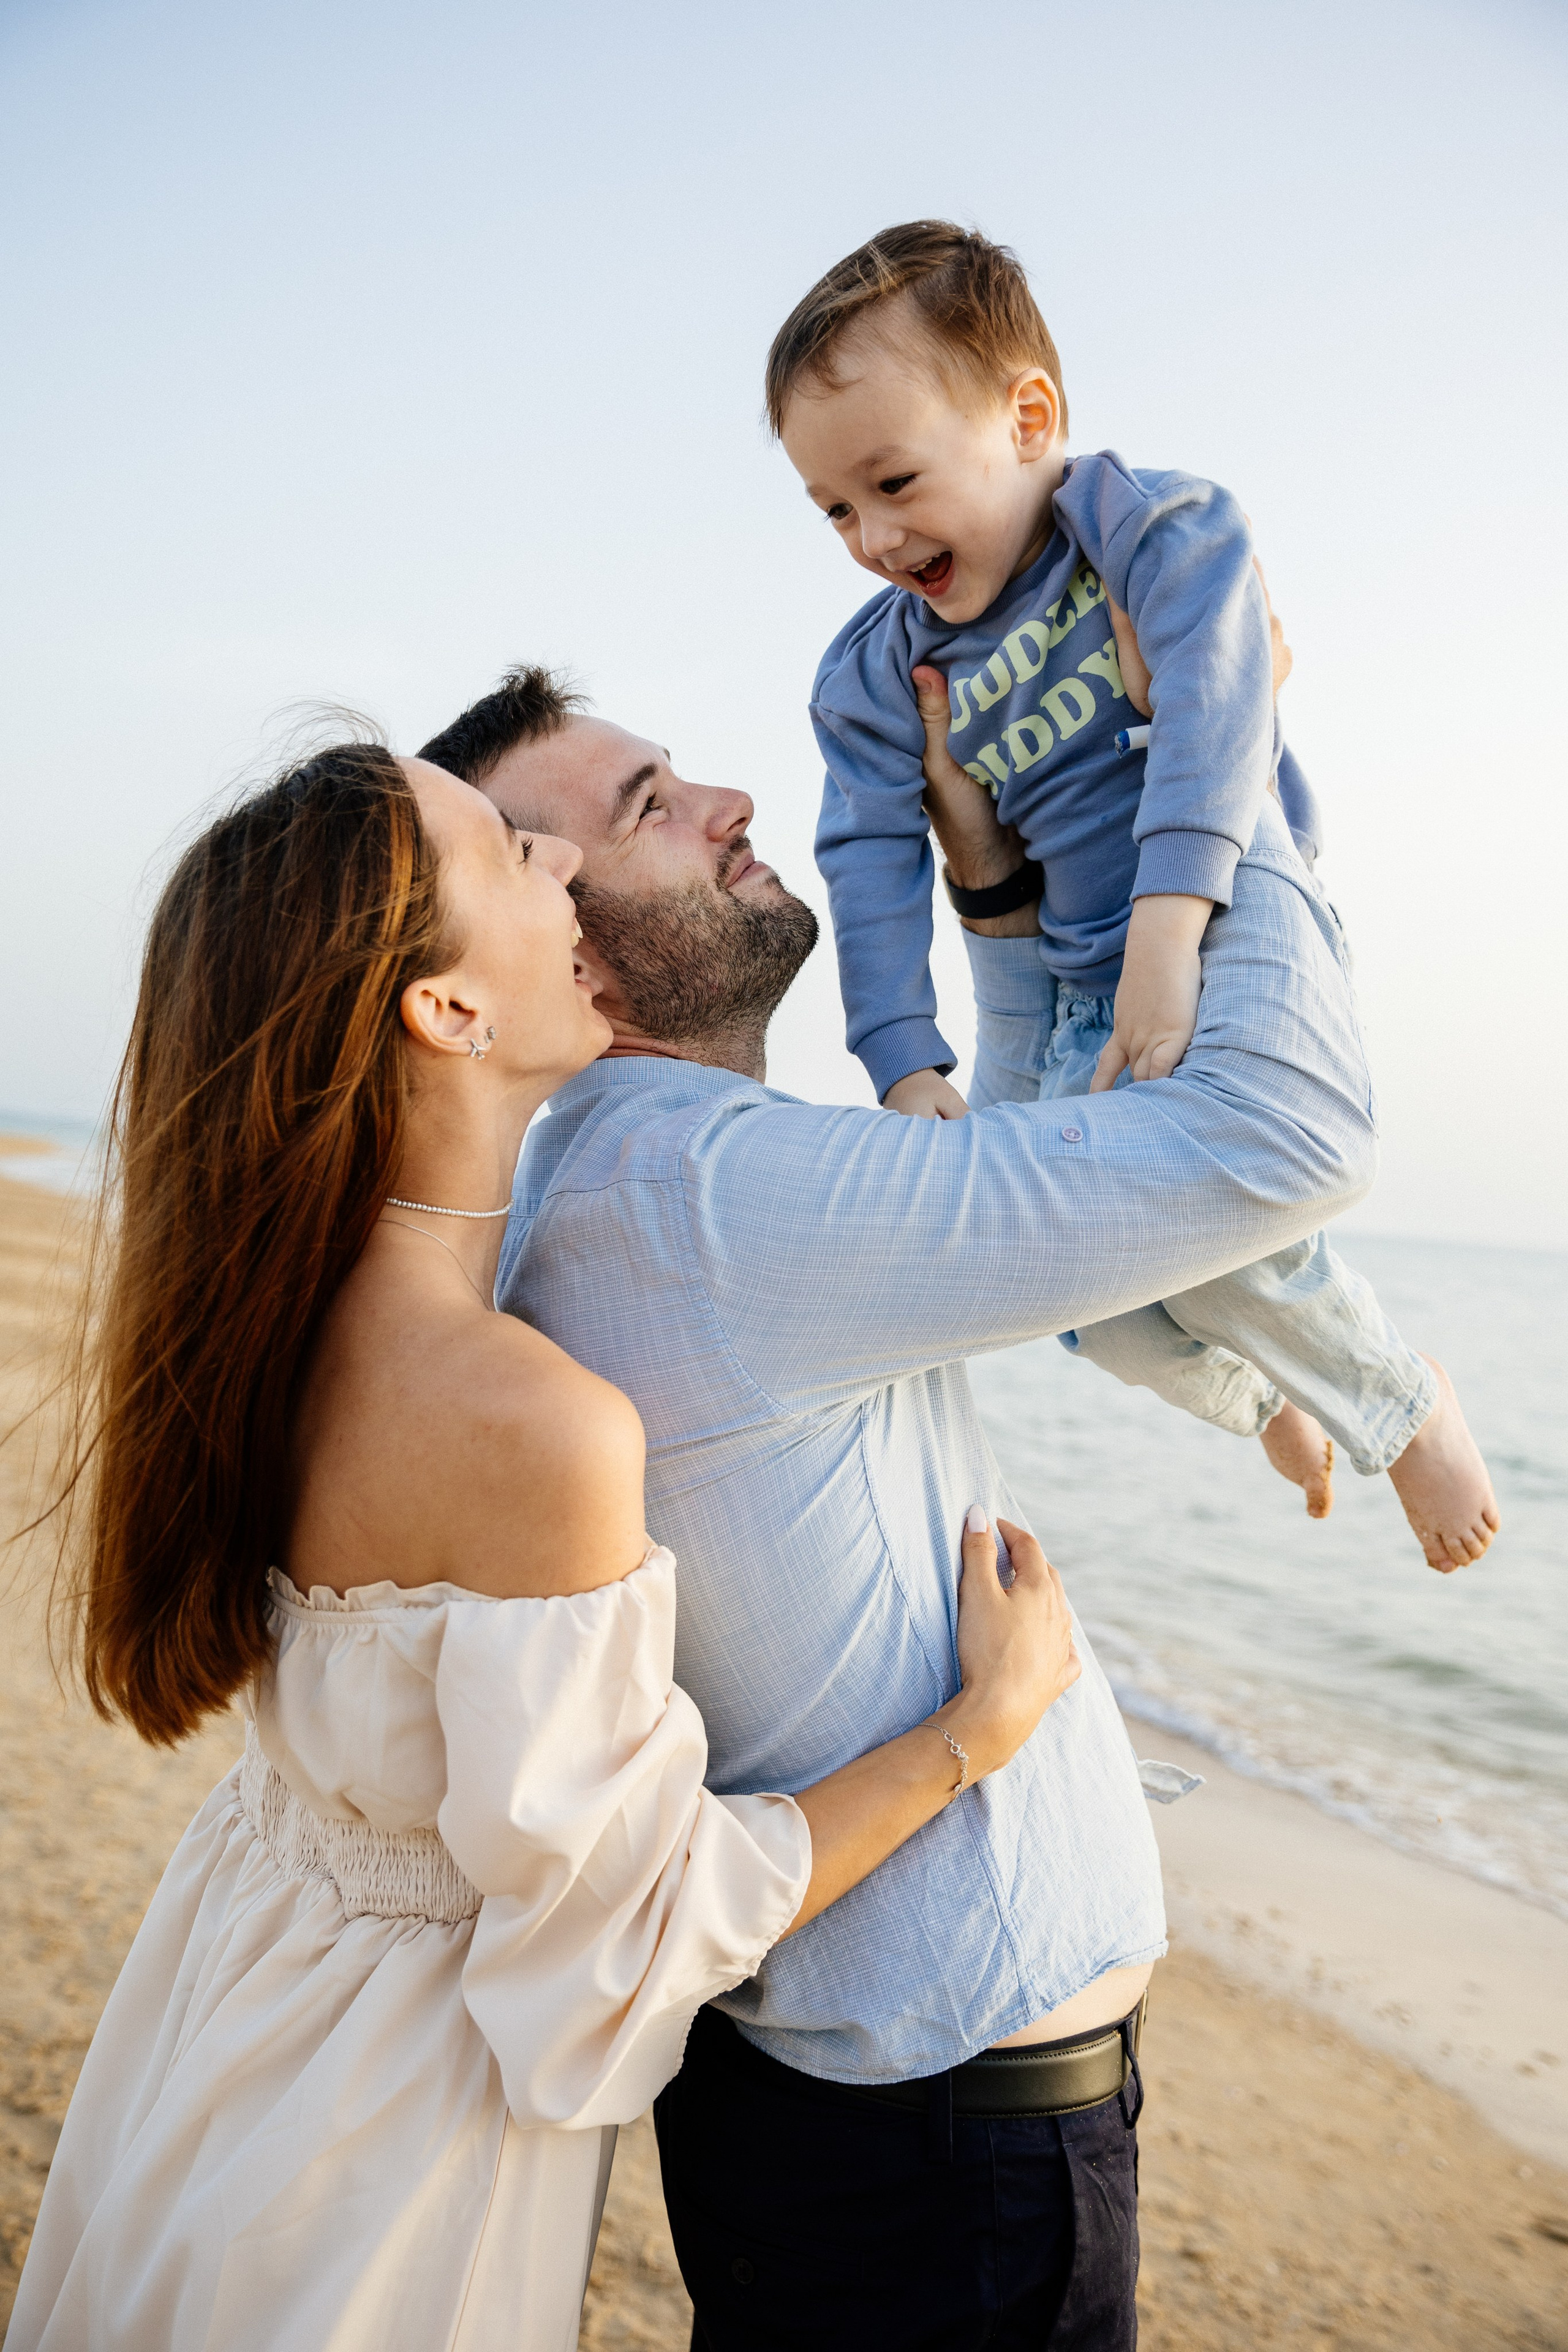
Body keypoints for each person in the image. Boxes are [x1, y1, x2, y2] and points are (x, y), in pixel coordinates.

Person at [9, 742, 1080, 2352]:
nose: (567, 870)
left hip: (226, 2025)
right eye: (517, 857)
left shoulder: (281, 1331)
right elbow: (623, 1941)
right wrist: (972, 1736)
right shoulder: (534, 1422)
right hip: (381, 2149)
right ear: (446, 1012)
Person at [416, 648, 1374, 2350]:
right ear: (554, 929)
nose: (730, 805)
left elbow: (1039, 1185)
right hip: (947, 2161)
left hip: (867, 2116)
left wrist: (994, 896)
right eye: (648, 807)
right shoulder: (710, 1193)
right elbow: (1275, 1139)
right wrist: (1227, 777)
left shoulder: (650, 1180)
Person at [769, 218, 1498, 1574]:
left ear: (1026, 416)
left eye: (890, 481)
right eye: (831, 509)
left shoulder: (1151, 528)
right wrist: (899, 1059)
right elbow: (865, 854)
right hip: (1061, 970)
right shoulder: (868, 675)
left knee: (1231, 1186)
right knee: (1088, 1302)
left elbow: (1224, 713)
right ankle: (1267, 1397)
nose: (869, 538)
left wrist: (1169, 930)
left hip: (1224, 899)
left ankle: (1399, 1406)